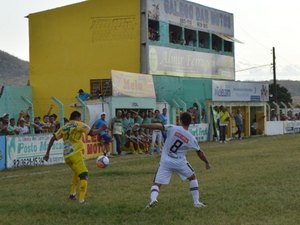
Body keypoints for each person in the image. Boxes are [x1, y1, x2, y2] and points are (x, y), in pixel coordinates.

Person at [135, 112, 210, 209]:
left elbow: (158, 126)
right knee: (192, 178)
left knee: (157, 183)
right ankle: (196, 202)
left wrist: (141, 125)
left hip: (166, 161)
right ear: (190, 123)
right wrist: (207, 162)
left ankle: (153, 200)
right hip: (180, 162)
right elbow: (200, 152)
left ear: (180, 120)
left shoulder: (173, 128)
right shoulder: (191, 138)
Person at [44, 110, 105, 204]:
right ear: (78, 117)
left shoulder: (64, 127)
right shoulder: (79, 124)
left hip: (67, 156)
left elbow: (53, 138)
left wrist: (47, 153)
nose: (80, 119)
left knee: (77, 173)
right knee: (84, 174)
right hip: (75, 153)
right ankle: (82, 201)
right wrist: (101, 129)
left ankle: (72, 195)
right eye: (80, 118)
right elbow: (92, 133)